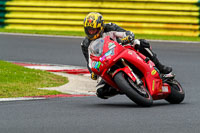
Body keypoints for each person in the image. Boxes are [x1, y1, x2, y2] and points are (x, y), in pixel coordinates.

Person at [81, 12, 172, 99]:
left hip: (121, 51)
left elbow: (125, 33)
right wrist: (92, 72)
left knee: (140, 43)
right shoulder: (85, 44)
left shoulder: (109, 27)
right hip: (106, 64)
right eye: (89, 30)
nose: (92, 33)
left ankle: (160, 67)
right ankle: (123, 87)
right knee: (100, 92)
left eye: (94, 30)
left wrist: (128, 36)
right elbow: (90, 61)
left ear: (100, 27)